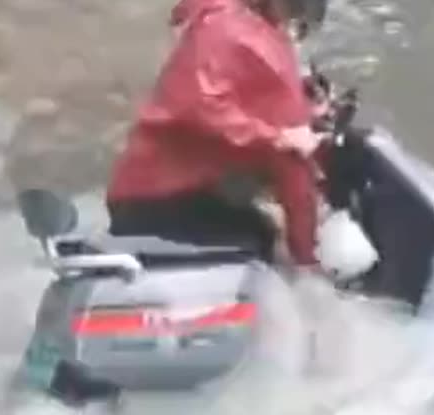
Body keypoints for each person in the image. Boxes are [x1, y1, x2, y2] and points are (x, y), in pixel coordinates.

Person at [105, 0, 326, 269]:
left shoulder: (218, 16)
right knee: (263, 238)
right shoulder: (251, 43)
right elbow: (295, 173)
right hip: (162, 202)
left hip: (138, 192)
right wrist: (307, 260)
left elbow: (212, 96)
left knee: (258, 224)